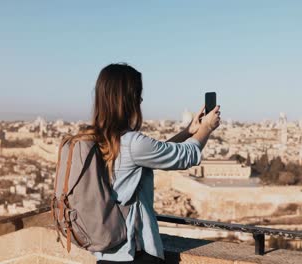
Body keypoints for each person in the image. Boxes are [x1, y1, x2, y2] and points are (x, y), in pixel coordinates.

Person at [88, 63, 221, 263]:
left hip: (107, 251)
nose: (141, 99)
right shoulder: (132, 142)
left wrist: (187, 132)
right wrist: (207, 127)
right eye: (137, 94)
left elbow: (153, 156)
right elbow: (188, 155)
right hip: (136, 250)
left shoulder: (94, 138)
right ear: (127, 98)